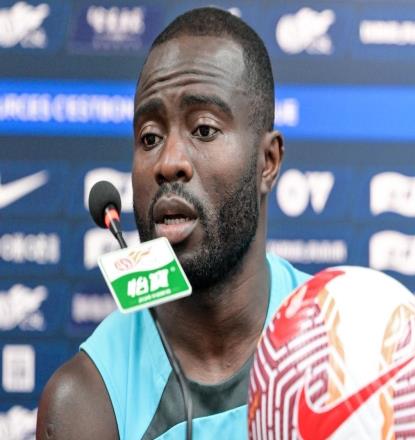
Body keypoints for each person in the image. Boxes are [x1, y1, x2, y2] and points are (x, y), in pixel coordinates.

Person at [36, 7, 309, 439]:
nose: (168, 162)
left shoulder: (349, 340)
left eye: (204, 129)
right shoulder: (85, 400)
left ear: (268, 162)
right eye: (150, 137)